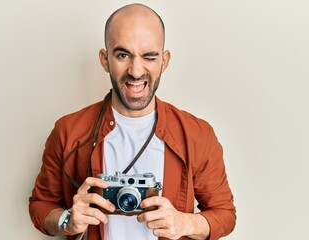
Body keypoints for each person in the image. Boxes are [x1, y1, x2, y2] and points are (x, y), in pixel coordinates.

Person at [29, 3, 236, 240]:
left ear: (164, 61)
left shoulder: (197, 134)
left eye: (149, 56)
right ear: (105, 60)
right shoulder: (68, 131)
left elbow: (226, 214)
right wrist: (67, 220)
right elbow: (40, 204)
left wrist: (185, 223)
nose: (136, 71)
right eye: (123, 55)